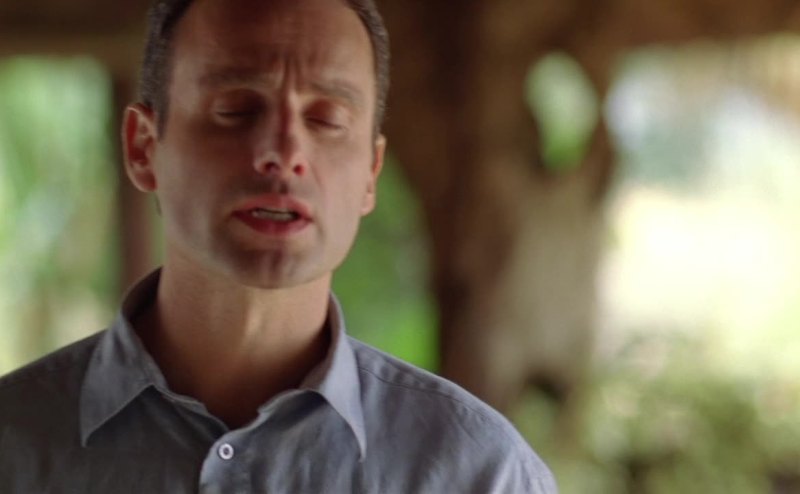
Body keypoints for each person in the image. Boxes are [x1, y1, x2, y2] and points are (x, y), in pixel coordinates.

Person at [0, 0, 557, 492]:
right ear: (143, 148)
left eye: (327, 118)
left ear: (370, 172)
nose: (285, 152)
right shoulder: (14, 449)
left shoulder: (479, 473)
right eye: (237, 110)